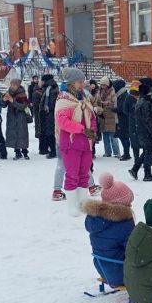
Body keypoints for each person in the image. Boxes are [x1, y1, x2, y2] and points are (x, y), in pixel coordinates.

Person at [55, 67, 97, 216]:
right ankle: (72, 206)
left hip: (86, 143)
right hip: (71, 143)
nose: (83, 84)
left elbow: (91, 116)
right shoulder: (64, 100)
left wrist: (92, 130)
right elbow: (63, 122)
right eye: (80, 81)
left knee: (84, 173)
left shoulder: (83, 98)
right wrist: (82, 129)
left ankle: (82, 203)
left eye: (83, 81)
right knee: (72, 175)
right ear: (72, 83)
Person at [81, 172, 135, 288]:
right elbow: (134, 249)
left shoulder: (95, 218)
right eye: (129, 202)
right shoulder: (123, 223)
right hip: (121, 272)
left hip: (103, 268)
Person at [132, 82, 152, 182]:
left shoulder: (140, 101)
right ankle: (147, 174)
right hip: (147, 131)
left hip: (141, 130)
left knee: (146, 151)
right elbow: (148, 119)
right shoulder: (146, 103)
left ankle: (135, 169)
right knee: (149, 152)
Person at [1, 78, 30, 160]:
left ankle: (25, 152)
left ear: (18, 85)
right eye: (11, 84)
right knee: (13, 134)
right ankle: (17, 152)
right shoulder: (8, 93)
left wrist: (12, 100)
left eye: (14, 85)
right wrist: (3, 100)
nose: (12, 86)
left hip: (21, 117)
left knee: (22, 134)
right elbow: (3, 105)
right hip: (11, 117)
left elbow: (23, 106)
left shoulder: (22, 94)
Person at [97, 76, 120, 157]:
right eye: (101, 85)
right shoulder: (99, 91)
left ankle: (117, 153)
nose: (102, 86)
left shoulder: (113, 91)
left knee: (113, 136)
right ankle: (108, 152)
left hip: (111, 116)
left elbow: (115, 103)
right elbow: (97, 101)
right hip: (102, 116)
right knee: (105, 137)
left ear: (107, 84)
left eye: (104, 85)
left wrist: (108, 103)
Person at [125, 81, 142, 178]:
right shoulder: (142, 97)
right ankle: (140, 160)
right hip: (139, 123)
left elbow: (125, 110)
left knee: (135, 143)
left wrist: (131, 115)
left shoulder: (129, 97)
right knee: (142, 143)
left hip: (133, 123)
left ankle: (137, 160)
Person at [39, 73, 59, 159]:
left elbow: (53, 103)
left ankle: (53, 151)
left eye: (42, 80)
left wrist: (47, 109)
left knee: (50, 133)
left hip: (50, 114)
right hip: (48, 114)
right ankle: (52, 150)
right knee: (49, 132)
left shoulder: (51, 88)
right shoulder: (49, 88)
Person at [113, 79, 131, 161]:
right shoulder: (121, 94)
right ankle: (126, 153)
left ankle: (126, 154)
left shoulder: (123, 95)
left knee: (123, 137)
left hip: (123, 119)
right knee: (124, 137)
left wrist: (113, 109)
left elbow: (122, 108)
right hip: (123, 119)